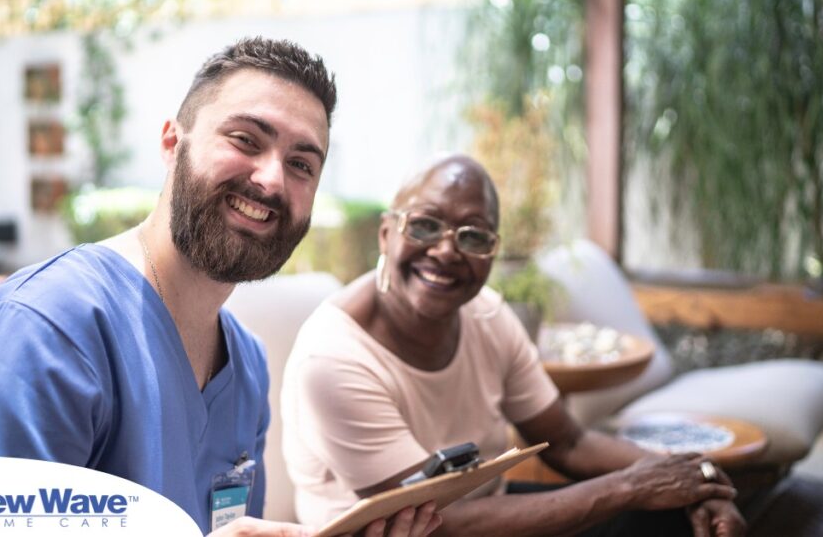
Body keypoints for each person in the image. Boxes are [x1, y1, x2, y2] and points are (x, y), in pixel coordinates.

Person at [0, 37, 439, 537]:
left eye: (301, 164)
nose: (273, 180)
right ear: (171, 143)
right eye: (245, 140)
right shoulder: (42, 332)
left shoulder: (247, 367)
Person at [280, 154, 747, 537]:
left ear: (492, 253)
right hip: (412, 532)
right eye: (424, 226)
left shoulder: (487, 314)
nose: (446, 251)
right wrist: (630, 487)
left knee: (672, 520)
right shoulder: (334, 359)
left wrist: (694, 482)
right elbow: (432, 520)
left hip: (485, 515)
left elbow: (569, 441)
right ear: (386, 233)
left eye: (473, 236)